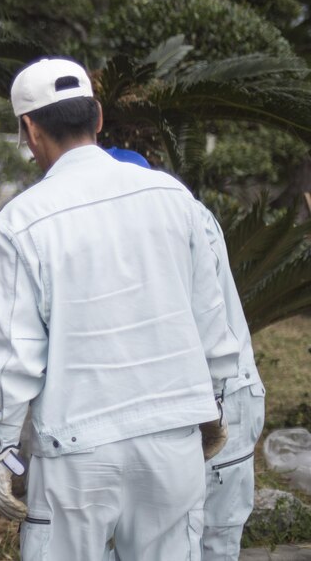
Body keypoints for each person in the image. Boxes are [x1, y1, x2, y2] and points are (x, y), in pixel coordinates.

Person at [0, 57, 240, 560]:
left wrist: (2, 447)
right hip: (174, 436)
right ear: (97, 117)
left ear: (30, 130)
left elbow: (16, 353)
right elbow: (212, 317)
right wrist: (214, 400)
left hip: (77, 451)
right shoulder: (172, 197)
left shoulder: (21, 221)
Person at [104, 147, 266, 560]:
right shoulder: (155, 217)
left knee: (211, 540)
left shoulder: (180, 218)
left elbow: (200, 327)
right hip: (184, 402)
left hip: (220, 398)